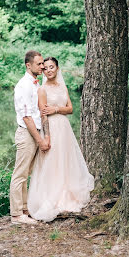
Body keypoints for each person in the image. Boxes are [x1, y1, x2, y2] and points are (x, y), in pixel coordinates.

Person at [27, 57, 94, 222]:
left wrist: (56, 109)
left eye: (52, 67)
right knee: (52, 161)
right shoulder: (42, 90)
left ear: (57, 68)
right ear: (43, 71)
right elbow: (43, 116)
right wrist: (47, 136)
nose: (49, 70)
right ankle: (51, 196)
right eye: (46, 68)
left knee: (65, 159)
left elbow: (70, 109)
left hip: (64, 128)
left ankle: (67, 192)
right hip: (52, 128)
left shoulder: (63, 86)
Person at [10, 50, 51, 225]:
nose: (42, 66)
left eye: (43, 63)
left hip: (35, 132)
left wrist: (45, 135)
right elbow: (27, 117)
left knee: (27, 173)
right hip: (27, 134)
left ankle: (25, 210)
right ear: (29, 65)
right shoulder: (24, 85)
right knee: (19, 174)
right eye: (39, 64)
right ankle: (16, 215)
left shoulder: (37, 83)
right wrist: (40, 140)